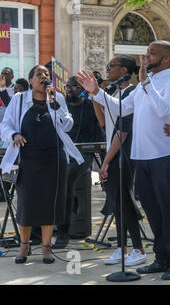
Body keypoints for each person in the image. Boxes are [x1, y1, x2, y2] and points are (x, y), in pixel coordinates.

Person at [77, 40, 170, 280]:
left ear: (167, 59)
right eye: (146, 52)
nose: (146, 57)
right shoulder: (142, 86)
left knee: (168, 210)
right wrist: (96, 93)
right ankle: (161, 258)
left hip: (167, 155)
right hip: (142, 156)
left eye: (152, 53)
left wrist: (146, 83)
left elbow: (165, 110)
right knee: (153, 211)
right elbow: (120, 109)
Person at [0, 65, 84, 264]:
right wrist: (14, 134)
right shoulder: (20, 100)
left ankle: (46, 248)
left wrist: (54, 104)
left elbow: (68, 124)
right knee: (26, 204)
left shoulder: (57, 98)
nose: (44, 77)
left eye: (46, 74)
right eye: (39, 74)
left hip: (54, 159)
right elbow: (5, 124)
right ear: (31, 80)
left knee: (50, 204)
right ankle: (24, 246)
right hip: (28, 159)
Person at [94, 56, 147, 267]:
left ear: (124, 69)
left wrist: (106, 161)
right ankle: (122, 247)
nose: (107, 70)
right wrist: (94, 96)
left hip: (123, 154)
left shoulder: (131, 93)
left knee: (124, 201)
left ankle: (138, 248)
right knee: (117, 202)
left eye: (111, 66)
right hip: (113, 151)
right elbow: (104, 123)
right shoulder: (114, 94)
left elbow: (122, 132)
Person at [52, 76, 100, 249]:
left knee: (65, 181)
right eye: (67, 87)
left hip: (83, 155)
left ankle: (63, 231)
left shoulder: (90, 106)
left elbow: (99, 131)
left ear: (82, 89)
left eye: (73, 87)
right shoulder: (60, 105)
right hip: (61, 153)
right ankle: (49, 227)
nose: (69, 90)